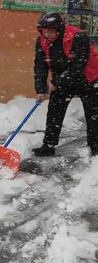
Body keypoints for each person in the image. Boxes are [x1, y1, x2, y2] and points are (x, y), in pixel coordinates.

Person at [33, 12, 98, 157]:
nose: (47, 34)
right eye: (44, 31)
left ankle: (95, 149)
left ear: (59, 28)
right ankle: (48, 146)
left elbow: (78, 65)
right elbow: (40, 66)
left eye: (50, 31)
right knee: (54, 113)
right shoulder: (42, 41)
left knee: (93, 116)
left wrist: (57, 82)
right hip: (63, 81)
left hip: (89, 79)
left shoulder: (78, 37)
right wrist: (41, 88)